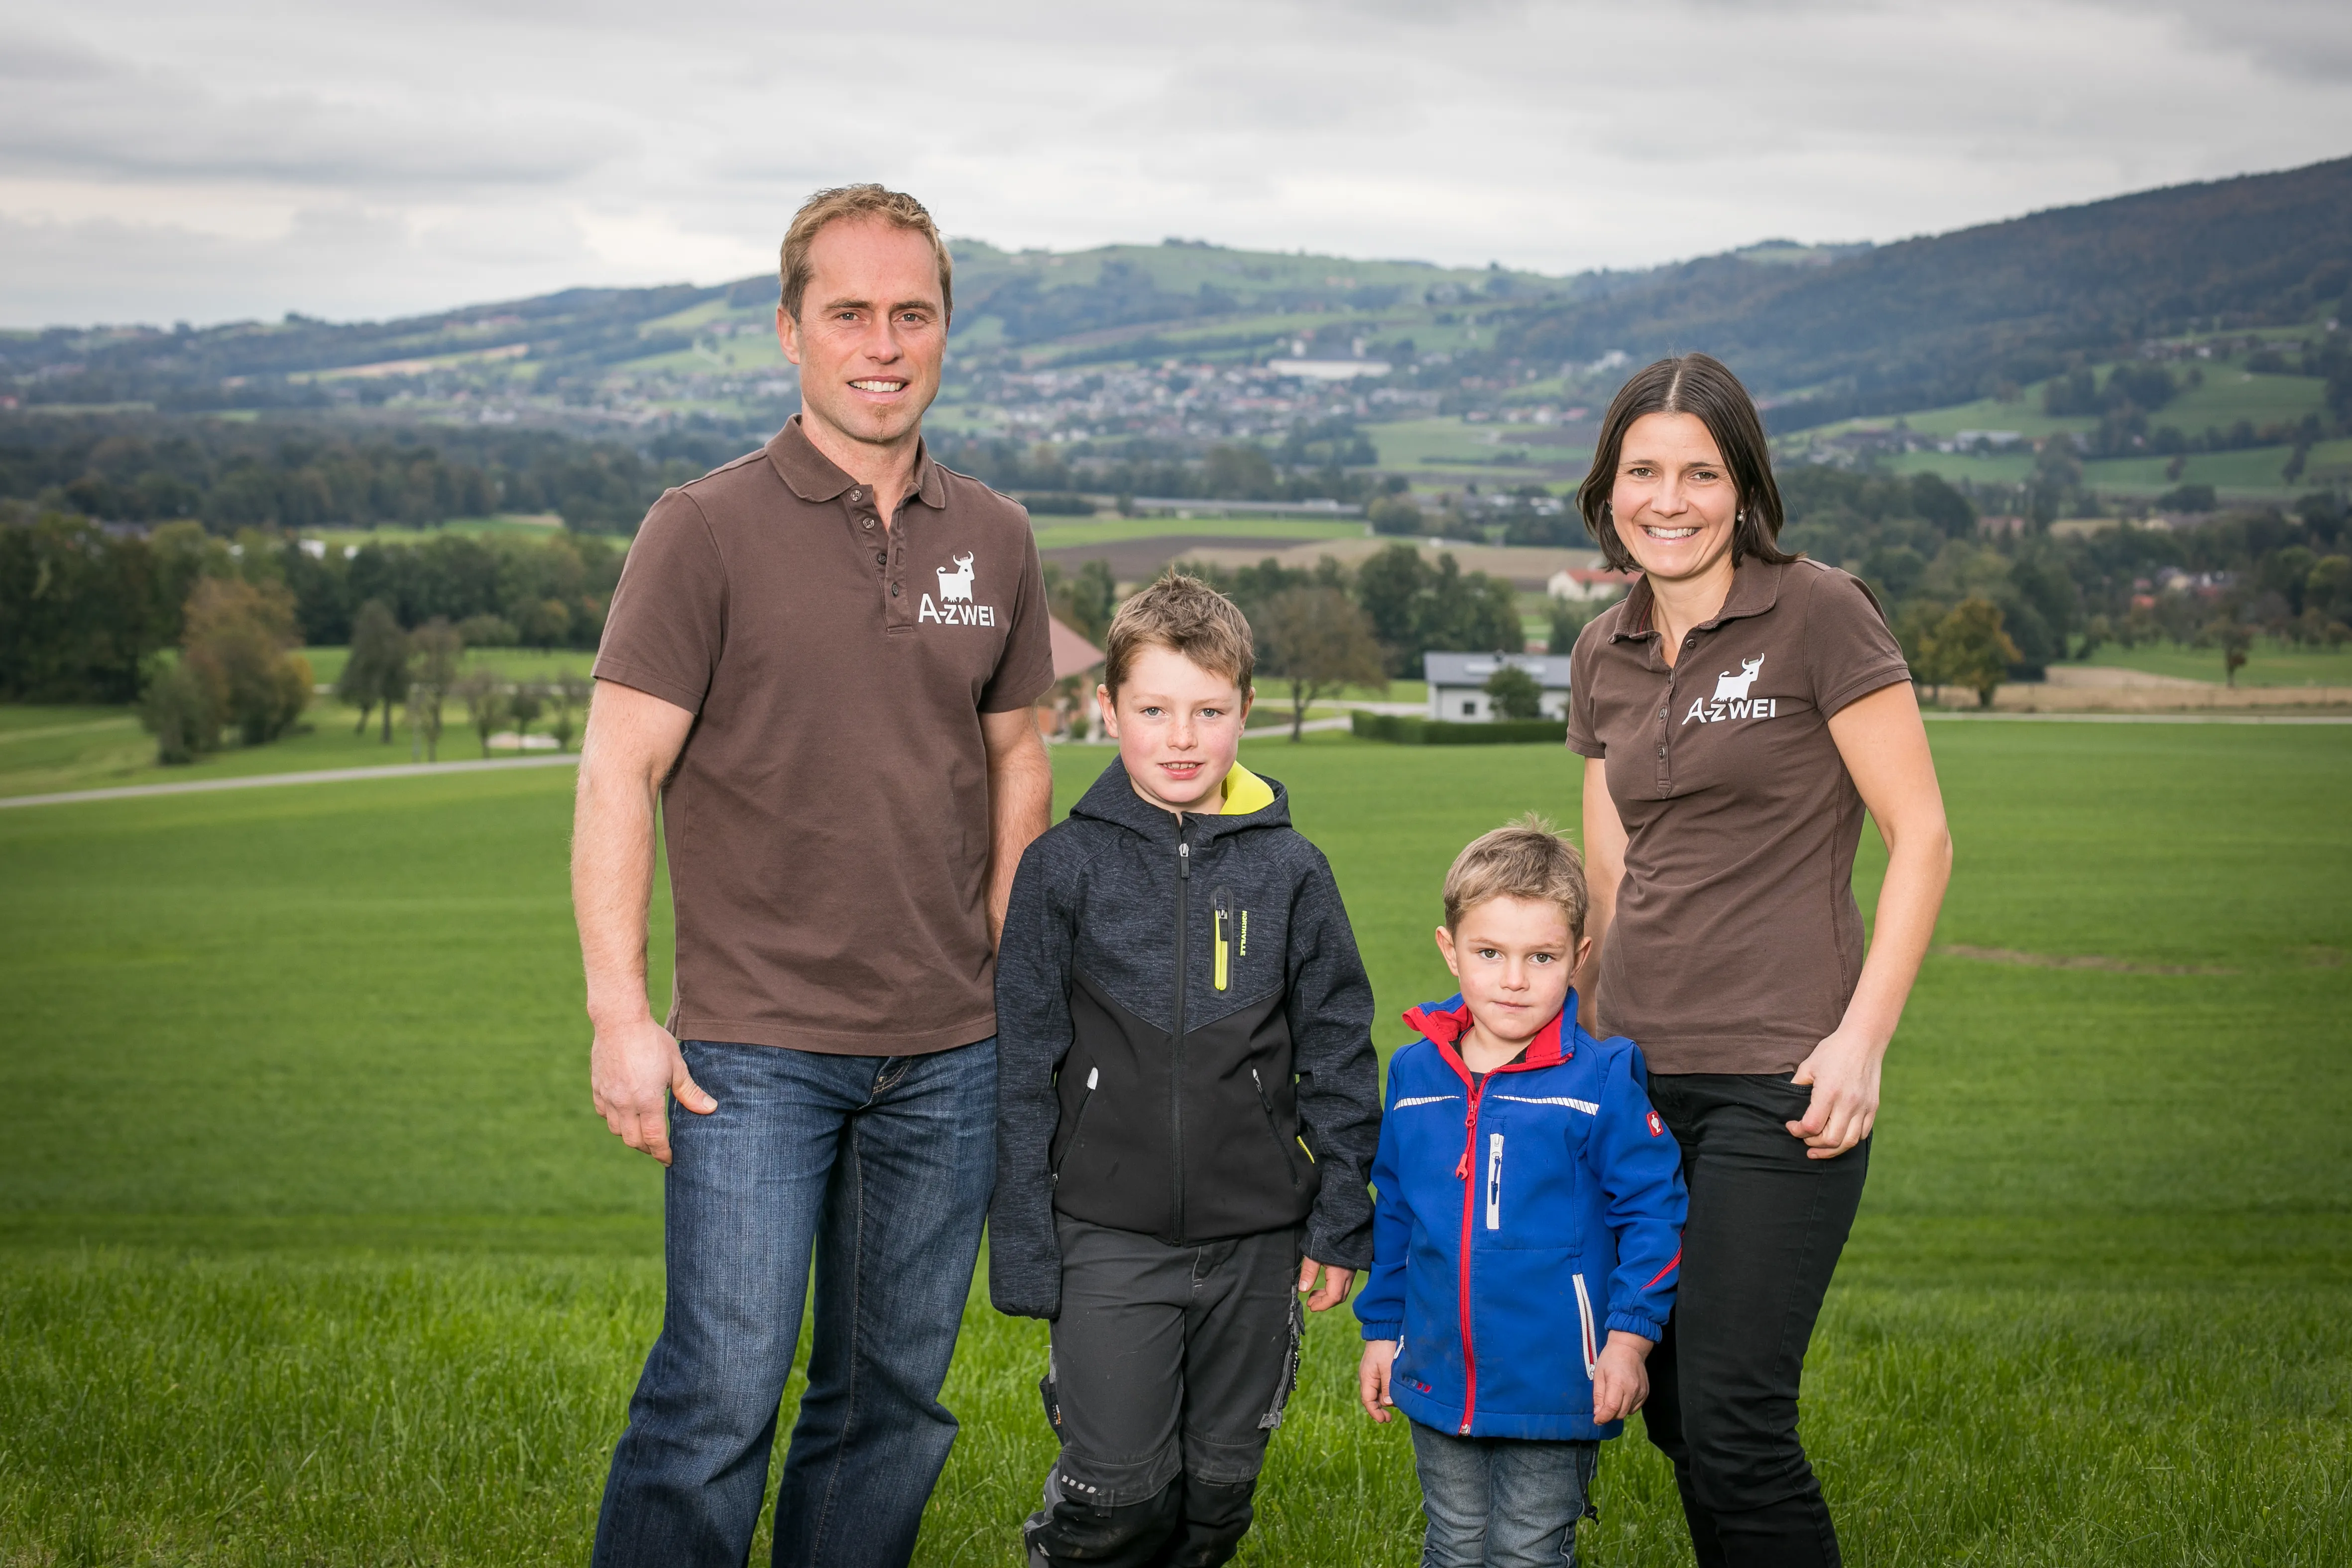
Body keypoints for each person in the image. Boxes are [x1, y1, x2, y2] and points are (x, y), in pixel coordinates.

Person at [573, 184, 1057, 1568]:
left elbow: (1019, 755)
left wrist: (1007, 963)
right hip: (750, 1049)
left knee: (890, 1403)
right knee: (717, 1396)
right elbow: (619, 770)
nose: (882, 342)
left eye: (912, 313)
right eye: (847, 312)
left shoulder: (998, 538)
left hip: (951, 1050)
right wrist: (620, 1012)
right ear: (789, 331)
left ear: (946, 332)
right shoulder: (702, 526)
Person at [1565, 352, 1953, 1568]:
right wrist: (1563, 1061)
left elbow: (1922, 835)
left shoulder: (1817, 611)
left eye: (1699, 471)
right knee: (1674, 1405)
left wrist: (1861, 1040)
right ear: (1607, 488)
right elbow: (1613, 878)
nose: (1666, 498)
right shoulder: (1602, 650)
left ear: (1743, 488)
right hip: (1634, 1079)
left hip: (1779, 1081)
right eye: (1642, 471)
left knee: (1733, 1419)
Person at [990, 573, 1384, 1568]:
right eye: (1155, 708)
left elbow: (1338, 1048)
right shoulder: (1062, 867)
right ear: (1108, 708)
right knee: (1116, 1497)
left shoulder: (1293, 871)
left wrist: (1340, 1216)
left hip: (1254, 1237)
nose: (1181, 736)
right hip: (1106, 1233)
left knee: (1215, 1498)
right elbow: (1024, 1057)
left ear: (1243, 711)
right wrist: (1027, 1242)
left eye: (1208, 711)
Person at [1354, 815, 1688, 1568]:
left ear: (1578, 958)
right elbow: (1398, 1214)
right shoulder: (1414, 1076)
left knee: (1527, 1553)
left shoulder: (1601, 1081)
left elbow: (1653, 1214)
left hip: (1560, 1382)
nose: (1514, 978)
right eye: (1490, 953)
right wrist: (1381, 1333)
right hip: (1439, 1372)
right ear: (1451, 951)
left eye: (1541, 957)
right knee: (1455, 1544)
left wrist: (1629, 1341)